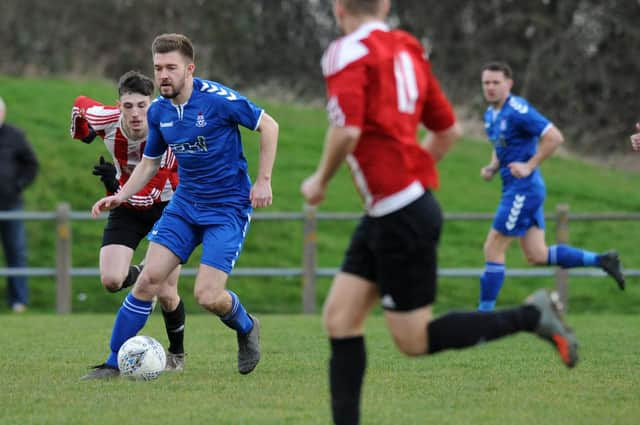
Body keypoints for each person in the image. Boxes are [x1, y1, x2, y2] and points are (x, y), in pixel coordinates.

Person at [301, 2, 580, 424]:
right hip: (394, 210)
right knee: (340, 319)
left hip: (400, 215)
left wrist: (319, 180)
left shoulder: (346, 51)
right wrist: (408, 177)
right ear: (385, 5)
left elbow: (347, 130)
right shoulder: (408, 50)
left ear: (339, 8)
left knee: (413, 340)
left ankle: (532, 314)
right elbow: (448, 130)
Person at [91, 33, 278, 376]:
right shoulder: (159, 111)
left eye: (170, 68)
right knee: (148, 280)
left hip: (227, 209)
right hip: (185, 206)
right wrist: (121, 195)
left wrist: (263, 180)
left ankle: (247, 326)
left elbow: (269, 125)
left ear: (189, 69)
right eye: (158, 67)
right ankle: (112, 363)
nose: (163, 75)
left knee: (208, 295)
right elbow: (149, 162)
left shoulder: (218, 100)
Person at [477, 61, 625, 311]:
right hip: (521, 189)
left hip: (522, 189)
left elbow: (554, 137)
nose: (490, 87)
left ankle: (482, 317)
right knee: (537, 255)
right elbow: (500, 145)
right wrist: (492, 166)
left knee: (492, 248)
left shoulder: (518, 109)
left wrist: (529, 165)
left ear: (509, 84)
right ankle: (603, 260)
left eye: (496, 82)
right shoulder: (491, 115)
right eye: (486, 83)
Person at [71, 71, 187, 379]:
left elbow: (148, 195)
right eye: (128, 106)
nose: (135, 114)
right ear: (119, 105)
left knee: (165, 289)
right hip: (125, 205)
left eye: (142, 106)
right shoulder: (106, 118)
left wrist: (114, 189)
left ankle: (176, 354)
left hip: (168, 206)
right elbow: (80, 105)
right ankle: (146, 272)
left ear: (153, 104)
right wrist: (82, 133)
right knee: (111, 279)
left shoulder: (166, 134)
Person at [0, 96, 39, 313]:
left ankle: (19, 301)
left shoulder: (15, 136)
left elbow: (31, 164)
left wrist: (18, 184)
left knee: (15, 251)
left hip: (10, 205)